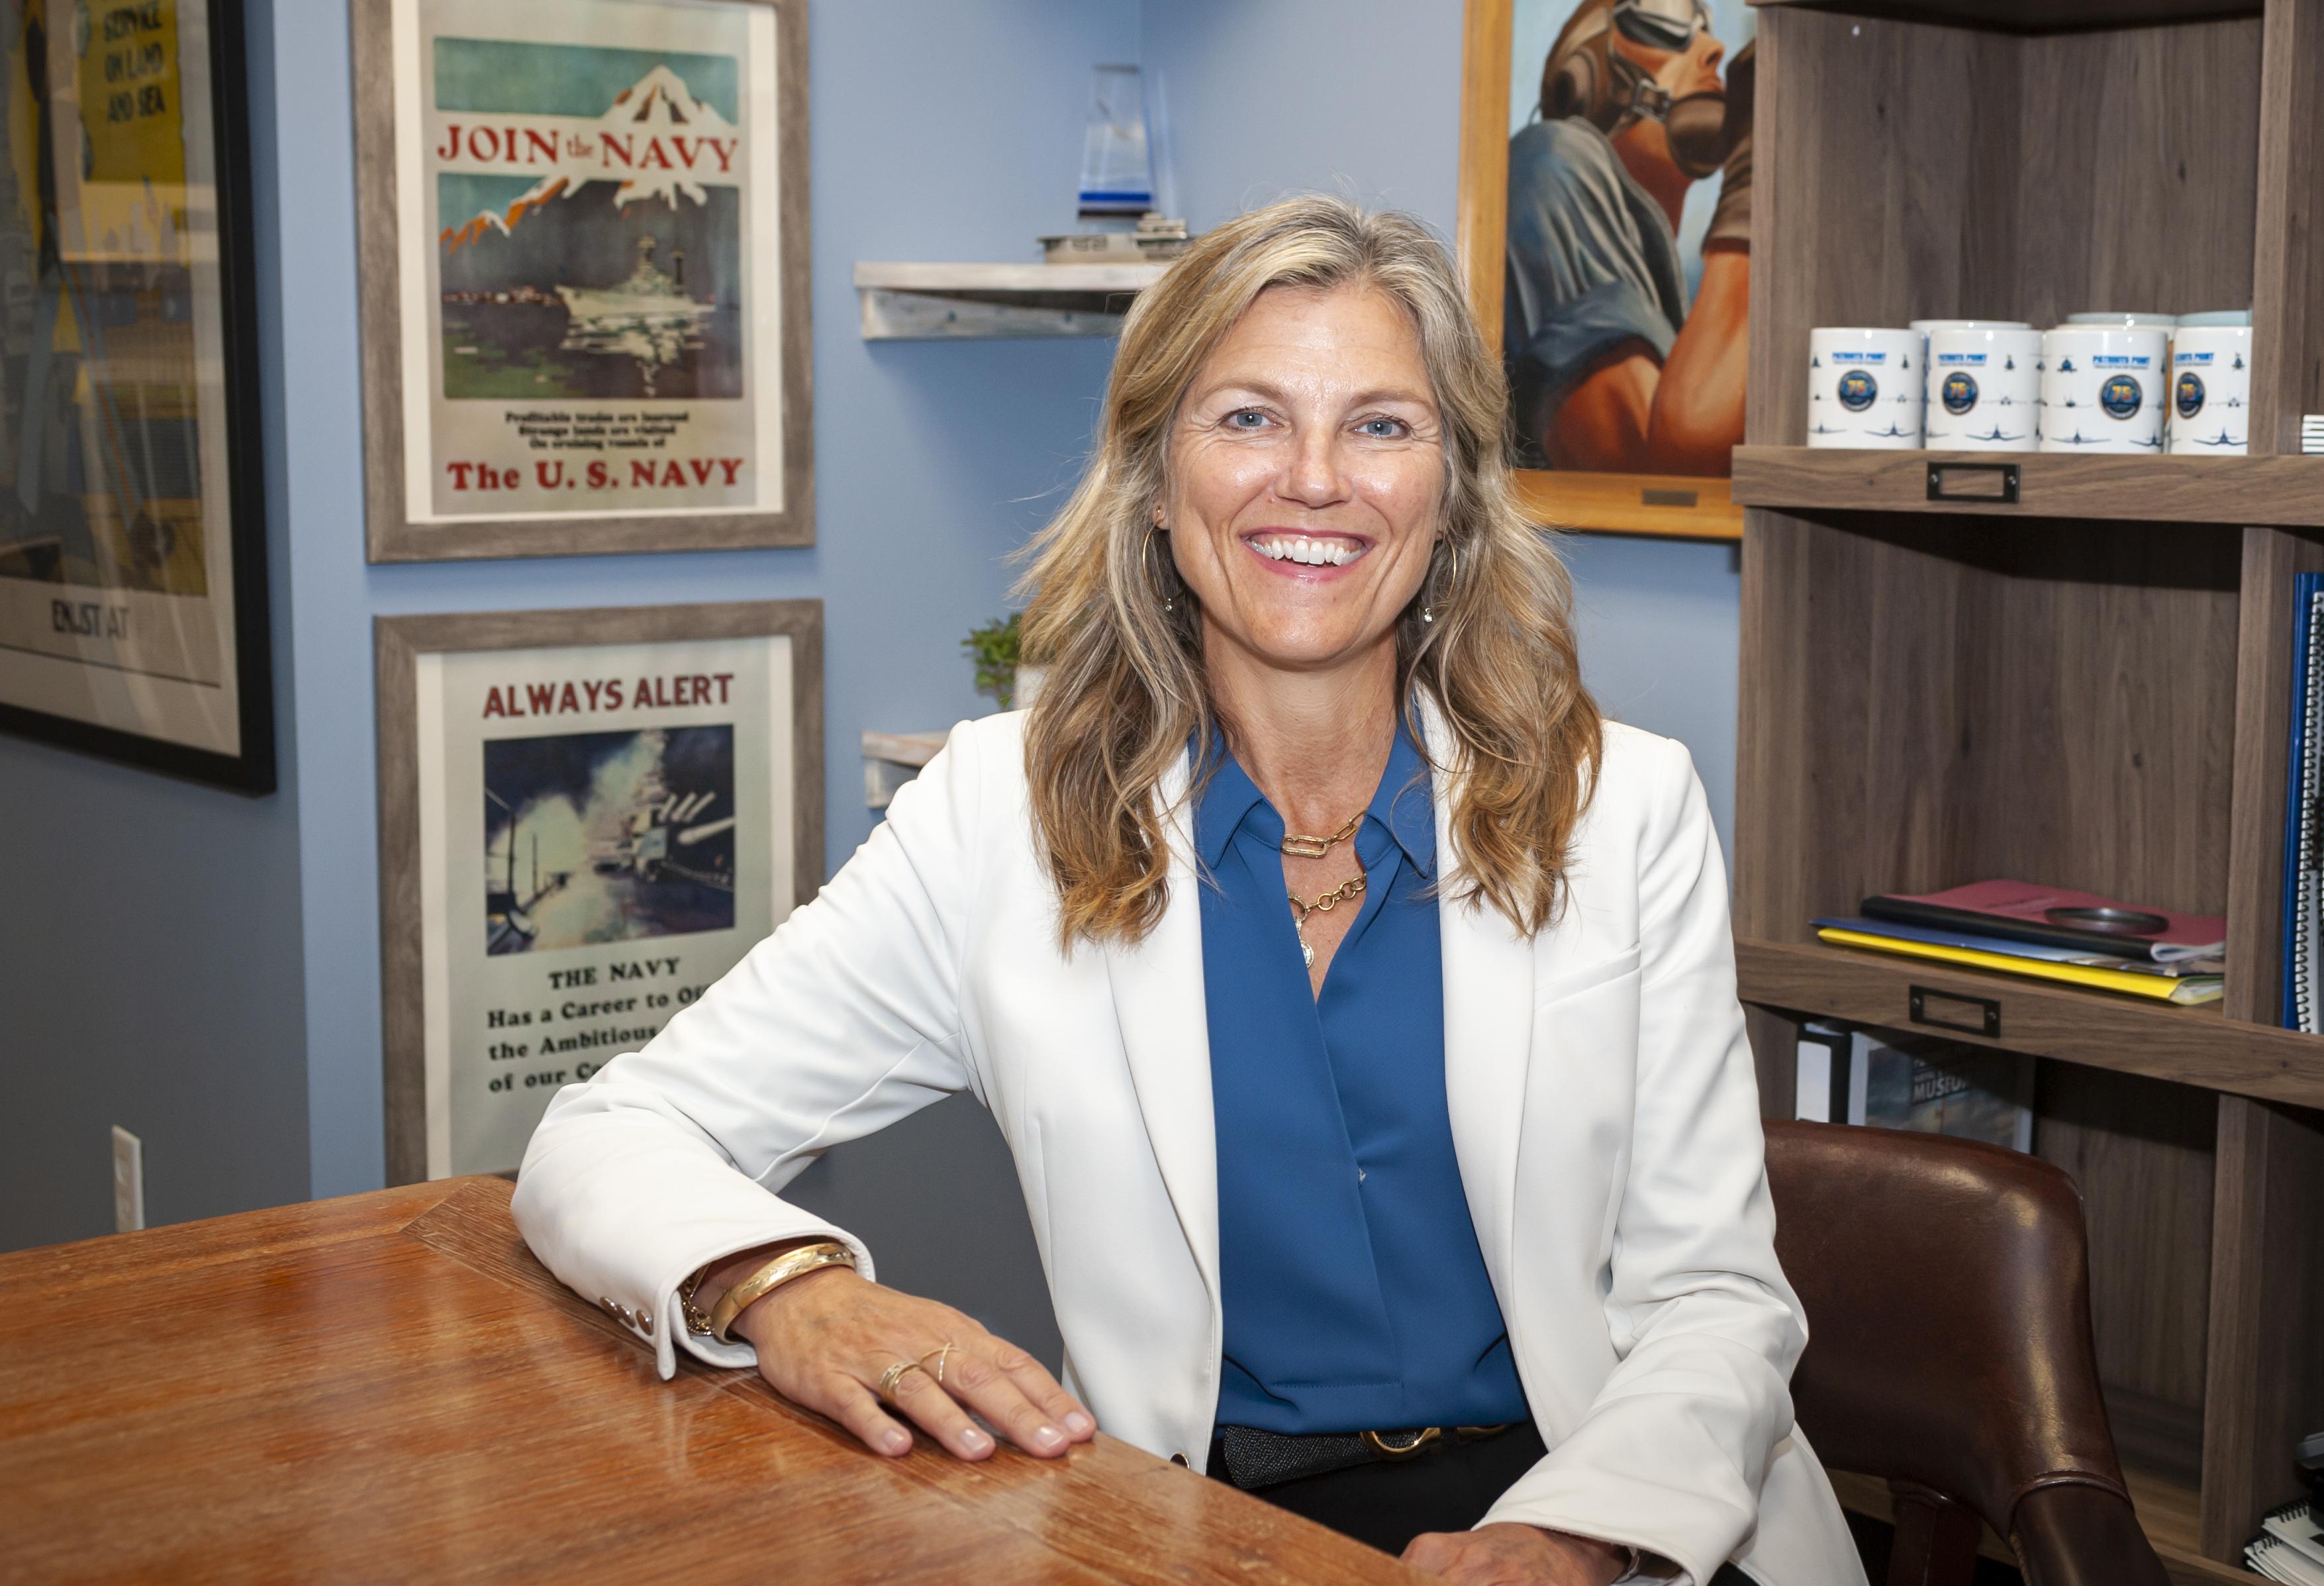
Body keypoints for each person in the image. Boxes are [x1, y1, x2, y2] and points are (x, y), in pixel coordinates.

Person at [512, 196, 1860, 1586]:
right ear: (1156, 479)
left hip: (1605, 1499)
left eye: (1381, 426)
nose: (1315, 480)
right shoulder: (999, 817)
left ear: (1452, 488)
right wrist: (786, 1290)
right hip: (1200, 1526)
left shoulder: (1623, 808)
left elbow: (1713, 1298)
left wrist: (1570, 1538)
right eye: (1249, 420)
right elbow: (608, 1133)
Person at [1504, 0, 1752, 475]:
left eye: (1707, 29)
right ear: (1583, 78)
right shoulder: (1549, 162)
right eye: (1668, 23)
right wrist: (1750, 178)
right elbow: (1656, 466)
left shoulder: (1668, 281)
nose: (1713, 49)